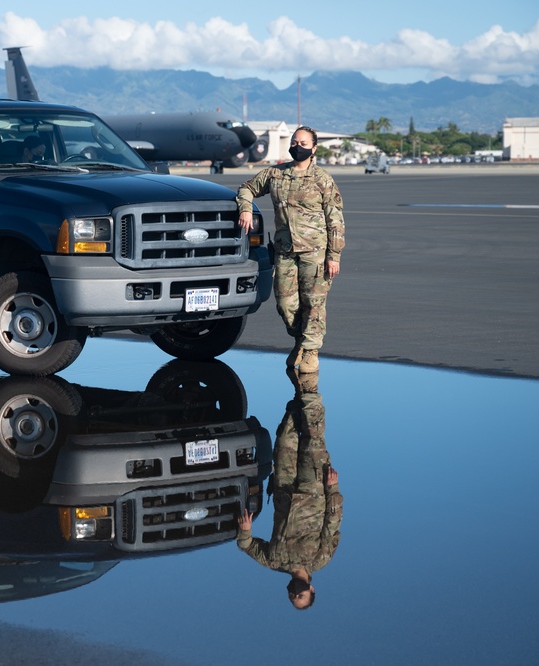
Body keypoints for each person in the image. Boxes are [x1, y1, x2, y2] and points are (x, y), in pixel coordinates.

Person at [235, 126, 345, 373]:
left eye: (304, 143)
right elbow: (247, 188)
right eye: (295, 142)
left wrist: (334, 256)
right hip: (285, 251)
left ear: (314, 148)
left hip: (314, 252)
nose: (298, 146)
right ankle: (301, 341)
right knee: (285, 304)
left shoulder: (322, 179)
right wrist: (245, 208)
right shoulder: (276, 174)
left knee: (313, 303)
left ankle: (311, 351)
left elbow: (335, 220)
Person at [236, 368, 342, 610]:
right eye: (302, 597)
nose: (296, 595)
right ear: (311, 589)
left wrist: (245, 531)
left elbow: (246, 546)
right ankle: (310, 390)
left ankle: (299, 393)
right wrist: (332, 489)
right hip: (313, 490)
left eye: (293, 598)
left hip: (284, 488)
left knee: (286, 436)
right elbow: (332, 525)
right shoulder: (319, 560)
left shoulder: (274, 561)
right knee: (313, 439)